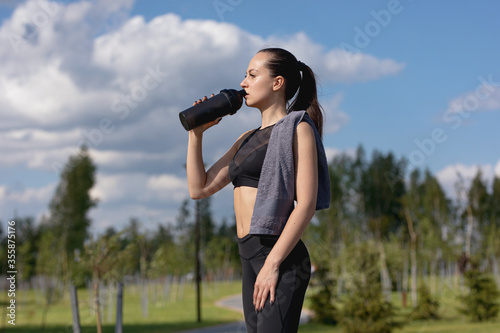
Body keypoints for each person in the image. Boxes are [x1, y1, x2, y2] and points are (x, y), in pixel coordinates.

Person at [186, 47, 330, 333]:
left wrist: (273, 264)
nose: (243, 83)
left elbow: (307, 204)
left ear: (277, 83)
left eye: (252, 75)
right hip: (248, 255)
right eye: (244, 75)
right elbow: (199, 188)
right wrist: (196, 134)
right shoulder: (245, 139)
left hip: (279, 256)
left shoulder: (297, 129)